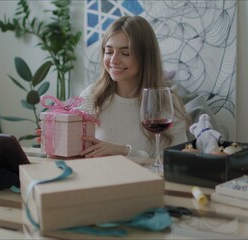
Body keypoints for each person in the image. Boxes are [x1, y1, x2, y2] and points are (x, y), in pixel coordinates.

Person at [38, 15, 190, 159]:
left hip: (148, 185)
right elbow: (79, 155)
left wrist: (125, 151)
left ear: (145, 57)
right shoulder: (91, 96)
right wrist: (57, 146)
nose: (114, 60)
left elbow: (177, 161)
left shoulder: (167, 102)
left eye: (125, 53)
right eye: (109, 51)